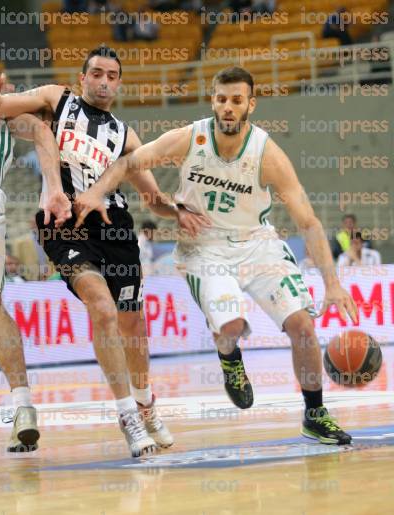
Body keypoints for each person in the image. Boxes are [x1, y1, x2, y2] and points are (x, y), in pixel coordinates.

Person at [74, 66, 359, 445]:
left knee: (304, 327)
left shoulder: (266, 152)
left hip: (258, 244)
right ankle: (229, 356)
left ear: (250, 105)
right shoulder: (190, 138)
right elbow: (130, 163)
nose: (228, 107)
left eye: (237, 100)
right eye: (222, 99)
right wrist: (95, 193)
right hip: (204, 248)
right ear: (213, 101)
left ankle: (315, 413)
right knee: (232, 326)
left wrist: (333, 283)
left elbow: (307, 220)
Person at [0, 47, 208, 457]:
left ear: (119, 83)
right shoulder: (57, 99)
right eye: (96, 73)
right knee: (102, 308)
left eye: (112, 75)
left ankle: (146, 406)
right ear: (82, 78)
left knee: (132, 325)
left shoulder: (125, 136)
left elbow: (152, 196)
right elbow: (1, 107)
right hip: (65, 224)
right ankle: (126, 414)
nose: (104, 81)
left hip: (116, 231)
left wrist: (176, 210)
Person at [0, 108, 72, 452]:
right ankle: (23, 407)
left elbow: (42, 127)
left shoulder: (3, 108)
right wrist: (52, 188)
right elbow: (42, 129)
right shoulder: (6, 112)